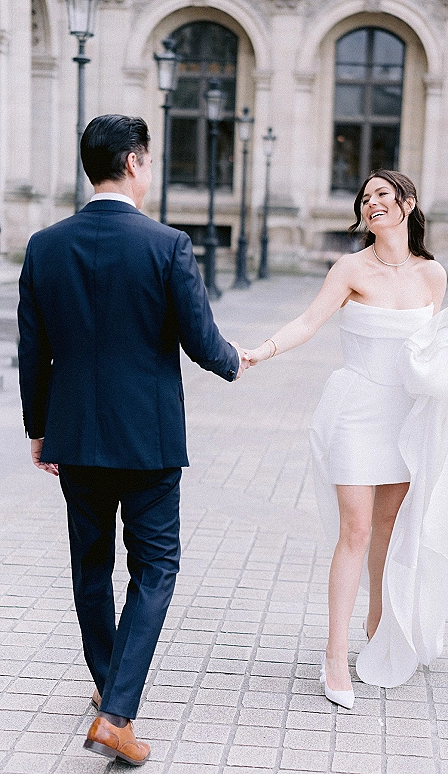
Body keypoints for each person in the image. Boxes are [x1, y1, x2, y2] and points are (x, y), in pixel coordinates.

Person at [18, 114, 247, 765]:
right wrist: (237, 360)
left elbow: (31, 353)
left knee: (90, 568)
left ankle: (105, 685)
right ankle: (118, 715)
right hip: (148, 443)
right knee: (156, 570)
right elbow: (202, 342)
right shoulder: (166, 244)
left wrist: (39, 429)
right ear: (135, 164)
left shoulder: (45, 245)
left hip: (78, 439)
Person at [245, 170, 448, 708]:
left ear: (407, 204)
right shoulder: (350, 268)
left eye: (382, 195)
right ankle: (334, 655)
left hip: (408, 420)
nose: (372, 203)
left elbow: (436, 351)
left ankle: (380, 630)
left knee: (388, 532)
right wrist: (260, 351)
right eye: (365, 198)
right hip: (357, 411)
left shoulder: (433, 275)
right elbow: (310, 322)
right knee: (356, 532)